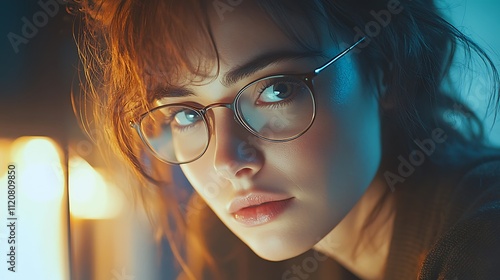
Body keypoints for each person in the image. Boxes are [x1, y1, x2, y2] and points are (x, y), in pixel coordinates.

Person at [74, 0, 500, 279]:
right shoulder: (232, 254)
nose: (227, 161)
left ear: (386, 65)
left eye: (276, 90)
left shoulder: (482, 245)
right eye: (186, 114)